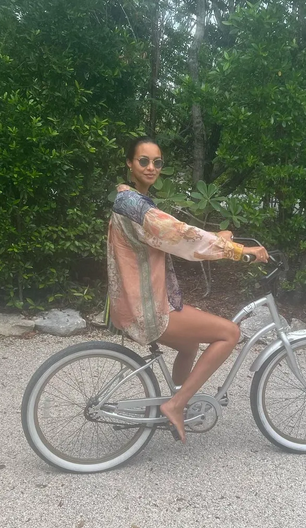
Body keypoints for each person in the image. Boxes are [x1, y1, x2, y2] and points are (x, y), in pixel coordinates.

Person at [107, 137, 268, 443]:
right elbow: (181, 235)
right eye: (143, 161)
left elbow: (174, 233)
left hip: (137, 302)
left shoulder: (133, 202)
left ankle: (180, 400)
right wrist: (240, 251)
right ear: (129, 163)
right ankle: (176, 405)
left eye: (157, 162)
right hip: (147, 308)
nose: (151, 167)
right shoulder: (135, 206)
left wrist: (216, 237)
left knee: (190, 344)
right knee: (230, 333)